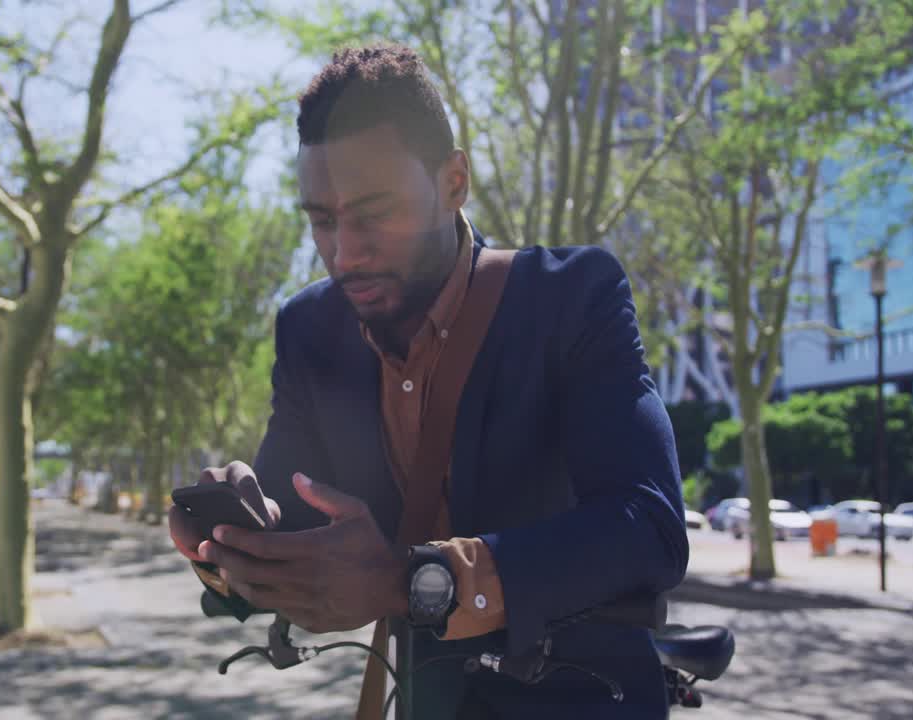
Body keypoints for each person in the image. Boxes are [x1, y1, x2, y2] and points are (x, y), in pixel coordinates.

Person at [168, 43, 688, 719]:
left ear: (453, 183)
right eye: (322, 220)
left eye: (375, 213)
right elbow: (294, 520)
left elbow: (648, 526)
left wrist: (409, 582)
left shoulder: (574, 299)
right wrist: (236, 546)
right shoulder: (307, 330)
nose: (344, 253)